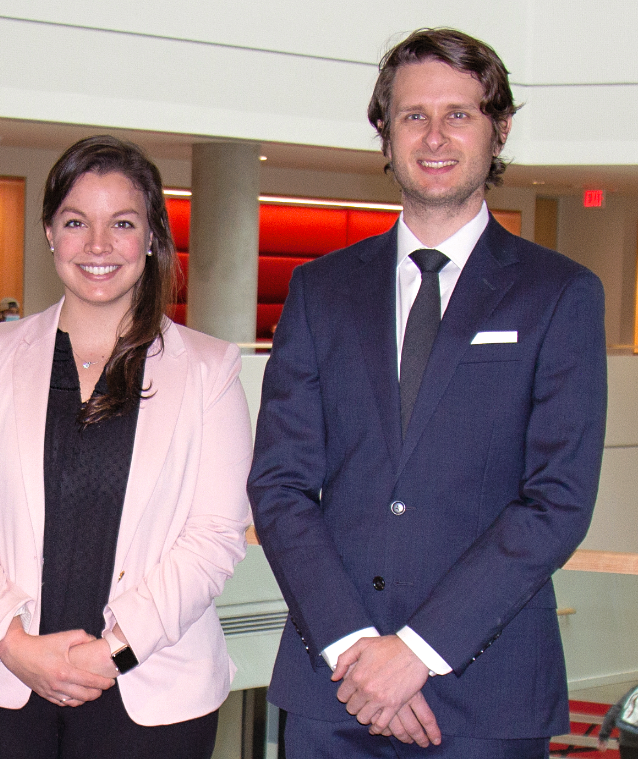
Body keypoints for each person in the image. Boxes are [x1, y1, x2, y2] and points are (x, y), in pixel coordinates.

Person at [248, 28, 606, 758]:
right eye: (413, 115)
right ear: (384, 133)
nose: (434, 135)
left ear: (499, 128)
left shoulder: (560, 294)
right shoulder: (321, 290)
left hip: (484, 696)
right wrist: (357, 651)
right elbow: (281, 485)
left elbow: (556, 500)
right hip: (332, 691)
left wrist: (415, 650)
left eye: (459, 114)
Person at [0, 135, 252, 758]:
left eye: (122, 224)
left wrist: (113, 652)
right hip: (0, 684)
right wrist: (14, 643)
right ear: (49, 232)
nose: (98, 246)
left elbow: (214, 537)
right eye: (77, 222)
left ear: (153, 236)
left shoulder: (210, 371)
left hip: (151, 692)